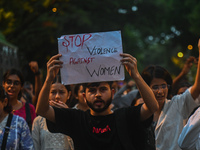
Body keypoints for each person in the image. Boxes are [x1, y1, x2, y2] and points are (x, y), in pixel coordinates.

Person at [36, 53, 159, 150]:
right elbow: (42, 110)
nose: (98, 94)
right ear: (84, 96)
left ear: (112, 92)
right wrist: (48, 79)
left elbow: (152, 107)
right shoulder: (76, 119)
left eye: (103, 89)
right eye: (92, 90)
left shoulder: (125, 116)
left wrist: (136, 75)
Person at [140, 38, 200, 150]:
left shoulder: (177, 104)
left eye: (163, 86)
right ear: (145, 89)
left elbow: (197, 88)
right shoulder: (138, 113)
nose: (160, 91)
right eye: (155, 87)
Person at [32, 76, 74, 150]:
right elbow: (35, 147)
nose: (57, 96)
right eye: (53, 92)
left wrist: (69, 117)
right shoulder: (38, 121)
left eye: (61, 92)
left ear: (69, 95)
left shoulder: (75, 118)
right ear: (47, 94)